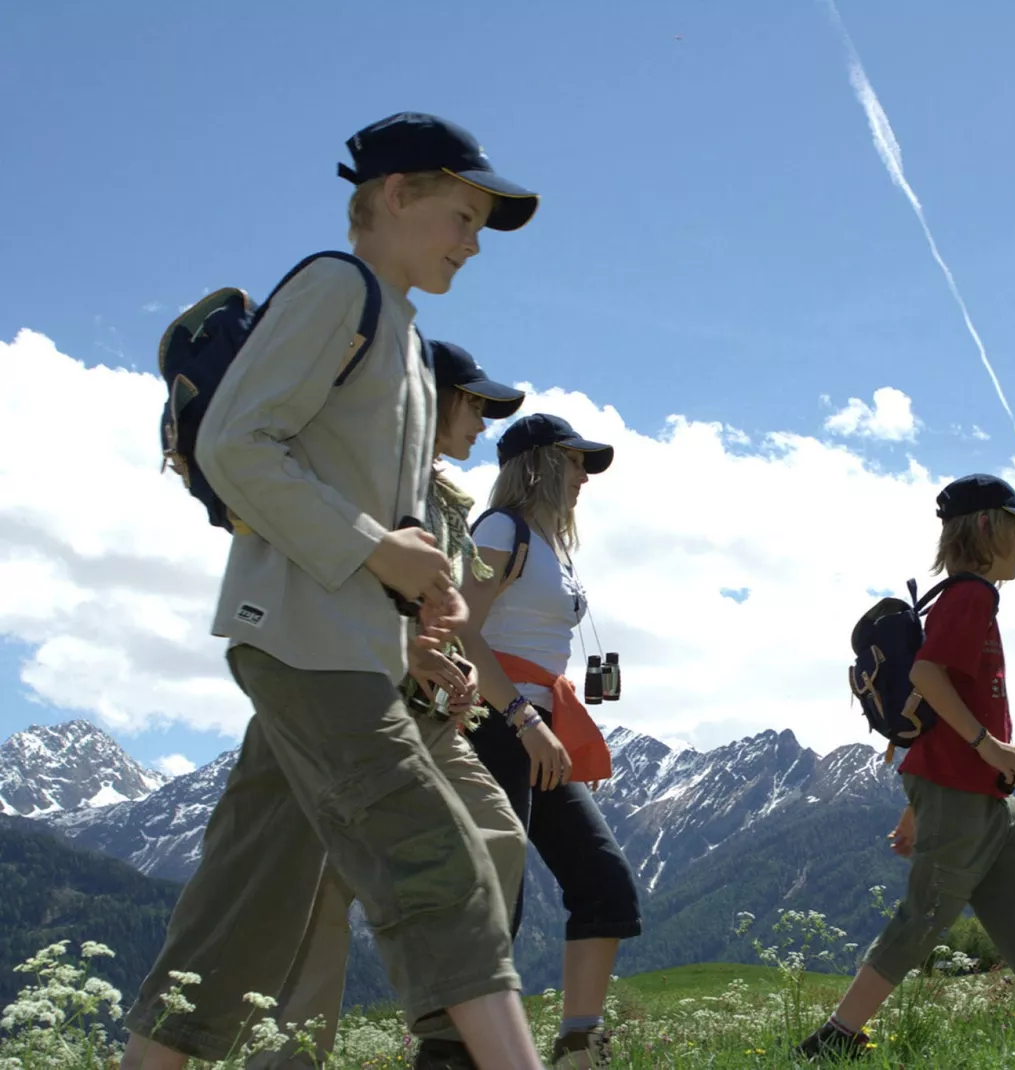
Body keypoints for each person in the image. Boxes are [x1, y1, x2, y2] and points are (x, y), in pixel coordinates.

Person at [119, 113, 548, 1070]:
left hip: (337, 640)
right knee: (439, 865)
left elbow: (363, 509)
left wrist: (418, 588)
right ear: (394, 194)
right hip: (310, 641)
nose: (473, 243)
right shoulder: (336, 286)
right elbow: (237, 445)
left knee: (242, 904)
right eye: (462, 215)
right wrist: (376, 552)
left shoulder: (396, 322)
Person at [256, 340, 533, 1070]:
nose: (481, 421)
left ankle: (449, 1038)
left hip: (421, 713)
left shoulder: (440, 499)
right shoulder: (363, 473)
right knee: (319, 890)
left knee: (495, 838)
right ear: (429, 401)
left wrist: (447, 662)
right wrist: (404, 646)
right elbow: (321, 573)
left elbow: (431, 610)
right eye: (472, 403)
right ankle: (287, 1059)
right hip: (341, 697)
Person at [794, 474, 1015, 1060]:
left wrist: (917, 802)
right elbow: (927, 676)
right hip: (963, 786)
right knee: (925, 916)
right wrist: (990, 747)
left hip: (982, 791)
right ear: (986, 526)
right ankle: (834, 1038)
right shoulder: (971, 596)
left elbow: (928, 706)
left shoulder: (963, 596)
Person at [458, 413, 642, 1070]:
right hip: (494, 726)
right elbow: (462, 634)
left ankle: (577, 1045)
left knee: (605, 883)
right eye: (575, 462)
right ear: (537, 463)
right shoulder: (500, 531)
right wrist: (523, 719)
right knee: (495, 901)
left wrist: (540, 723)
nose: (583, 477)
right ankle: (456, 1052)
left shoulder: (547, 545)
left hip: (537, 729)